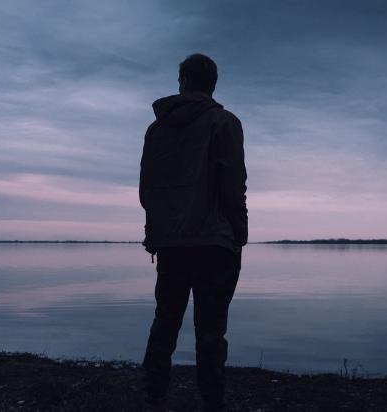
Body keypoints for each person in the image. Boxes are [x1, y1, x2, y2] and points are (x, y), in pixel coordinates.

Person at [139, 53, 247, 412]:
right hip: (214, 243)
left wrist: (159, 229)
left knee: (165, 323)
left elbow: (147, 188)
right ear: (213, 84)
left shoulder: (156, 130)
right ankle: (212, 404)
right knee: (211, 332)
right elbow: (233, 185)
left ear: (182, 81)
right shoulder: (224, 123)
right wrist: (239, 233)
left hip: (171, 242)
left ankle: (154, 398)